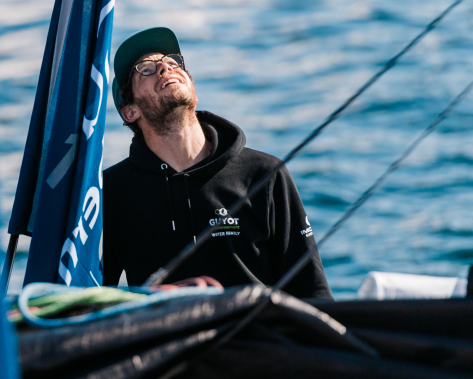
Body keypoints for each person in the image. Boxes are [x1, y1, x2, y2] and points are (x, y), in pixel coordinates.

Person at [103, 27, 332, 299]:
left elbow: (313, 292)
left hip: (257, 327)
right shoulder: (110, 191)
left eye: (173, 62)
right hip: (164, 328)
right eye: (145, 69)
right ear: (130, 111)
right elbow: (83, 296)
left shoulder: (265, 174)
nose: (165, 67)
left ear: (193, 90)